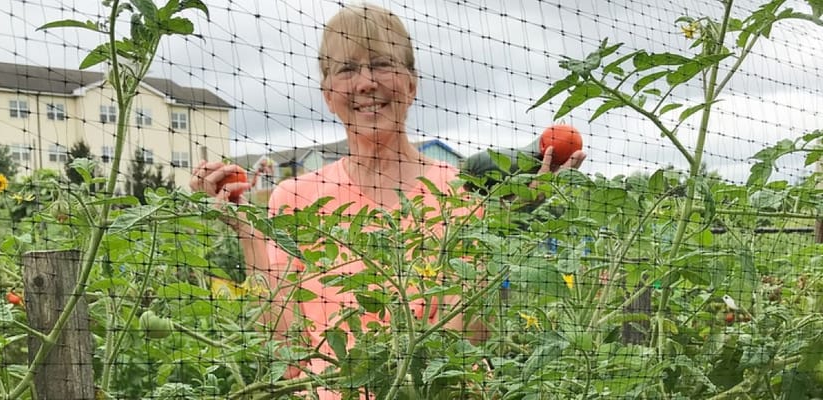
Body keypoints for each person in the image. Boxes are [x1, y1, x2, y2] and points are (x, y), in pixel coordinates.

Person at [190, 3, 586, 397]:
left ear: (412, 84)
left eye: (381, 64)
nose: (366, 83)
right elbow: (287, 349)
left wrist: (514, 219)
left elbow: (471, 338)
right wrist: (247, 230)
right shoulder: (294, 197)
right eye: (347, 69)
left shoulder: (465, 191)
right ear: (328, 94)